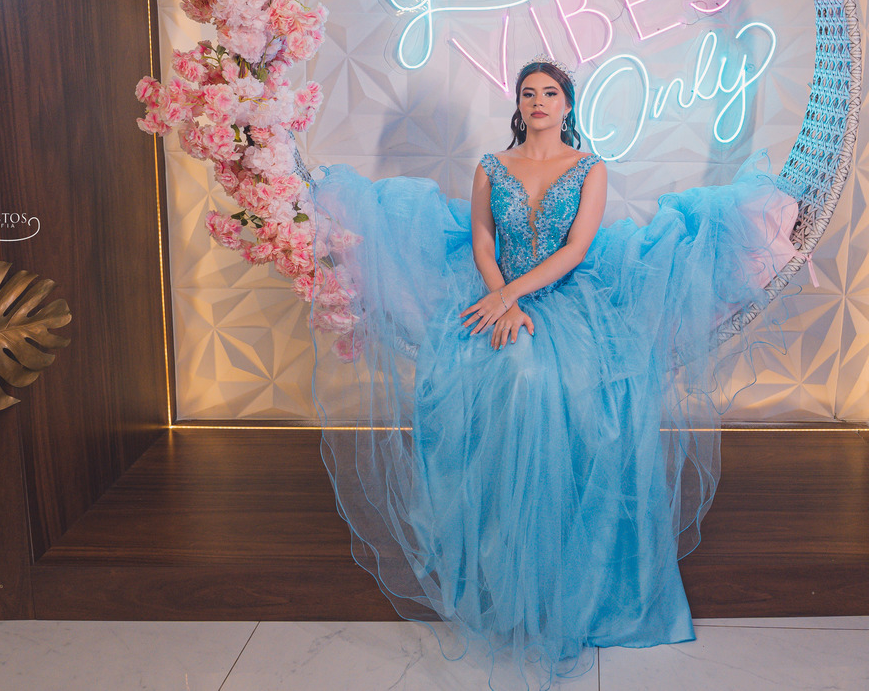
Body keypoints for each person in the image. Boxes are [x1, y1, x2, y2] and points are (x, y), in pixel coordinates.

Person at [307, 57, 800, 690]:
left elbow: (576, 249)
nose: (538, 101)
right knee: (501, 378)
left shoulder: (589, 167)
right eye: (527, 93)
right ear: (518, 105)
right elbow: (482, 242)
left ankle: (566, 565)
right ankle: (503, 561)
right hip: (495, 290)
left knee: (561, 388)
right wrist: (498, 297)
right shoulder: (492, 167)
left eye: (550, 92)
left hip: (567, 295)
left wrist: (514, 298)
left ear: (567, 105)